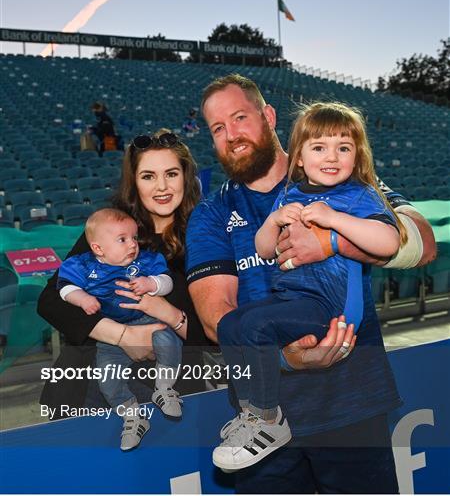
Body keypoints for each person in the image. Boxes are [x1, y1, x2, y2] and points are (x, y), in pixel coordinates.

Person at [185, 74, 436, 493]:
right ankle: (264, 418)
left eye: (240, 117)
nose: (232, 135)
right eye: (218, 128)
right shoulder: (212, 212)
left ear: (267, 116)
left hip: (352, 401)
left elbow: (422, 243)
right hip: (261, 429)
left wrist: (331, 240)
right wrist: (288, 359)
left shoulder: (338, 175)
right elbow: (216, 319)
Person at [212, 102, 406, 470]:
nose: (331, 157)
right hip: (293, 298)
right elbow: (264, 249)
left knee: (256, 327)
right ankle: (252, 412)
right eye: (319, 147)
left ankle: (270, 422)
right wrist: (273, 220)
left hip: (329, 308)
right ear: (298, 157)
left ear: (357, 155)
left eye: (343, 148)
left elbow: (389, 242)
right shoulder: (290, 195)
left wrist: (335, 222)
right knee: (231, 325)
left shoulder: (359, 194)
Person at [38, 129, 207, 427]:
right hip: (89, 386)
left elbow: (213, 337)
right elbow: (52, 299)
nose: (162, 187)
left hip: (170, 394)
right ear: (134, 182)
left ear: (186, 177)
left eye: (171, 173)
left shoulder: (207, 237)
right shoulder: (113, 229)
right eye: (148, 176)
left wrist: (167, 313)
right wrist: (123, 336)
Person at [57, 208, 182, 451]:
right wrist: (81, 298)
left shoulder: (145, 261)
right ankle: (133, 416)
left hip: (147, 323)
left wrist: (152, 284)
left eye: (134, 238)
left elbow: (167, 281)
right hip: (110, 337)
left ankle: (164, 388)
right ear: (98, 249)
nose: (132, 245)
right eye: (122, 240)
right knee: (108, 379)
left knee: (168, 341)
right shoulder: (83, 265)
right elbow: (63, 289)